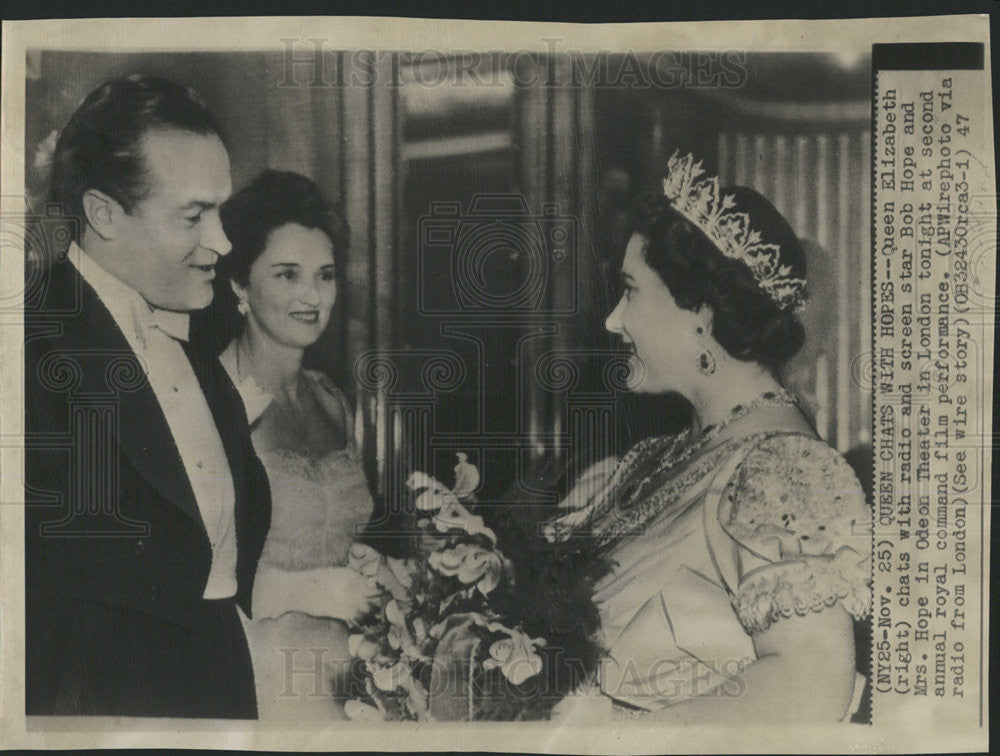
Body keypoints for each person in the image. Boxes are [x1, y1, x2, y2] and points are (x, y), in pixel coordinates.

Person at [545, 153, 871, 723]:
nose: (613, 320)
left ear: (701, 314)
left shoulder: (782, 469)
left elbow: (811, 684)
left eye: (631, 292)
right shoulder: (657, 455)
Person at [24, 75, 270, 717]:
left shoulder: (199, 335)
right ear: (103, 213)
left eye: (220, 210)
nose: (222, 242)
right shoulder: (25, 349)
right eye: (193, 216)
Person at [216, 170, 380, 721]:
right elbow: (188, 577)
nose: (313, 296)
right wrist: (311, 589)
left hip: (353, 679)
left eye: (325, 275)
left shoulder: (332, 399)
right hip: (258, 682)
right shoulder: (215, 400)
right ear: (239, 283)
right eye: (288, 275)